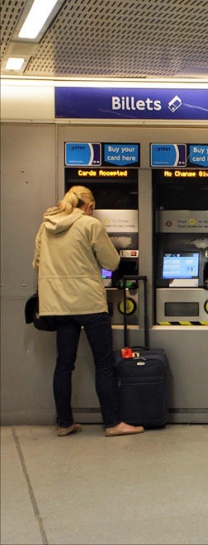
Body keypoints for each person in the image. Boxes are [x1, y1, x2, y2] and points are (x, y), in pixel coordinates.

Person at [32, 186, 144, 438]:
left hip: (59, 305)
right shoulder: (89, 225)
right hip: (89, 303)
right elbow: (111, 262)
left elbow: (37, 263)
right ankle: (113, 423)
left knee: (63, 365)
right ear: (89, 206)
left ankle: (64, 422)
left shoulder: (45, 226)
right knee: (103, 364)